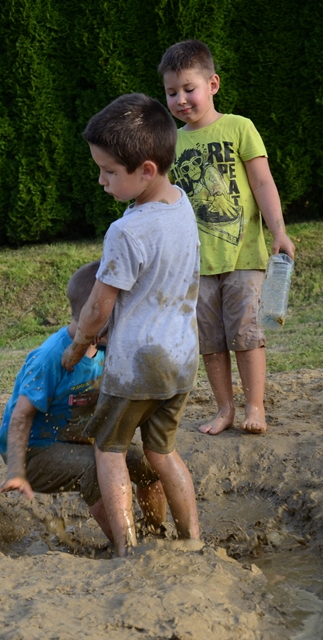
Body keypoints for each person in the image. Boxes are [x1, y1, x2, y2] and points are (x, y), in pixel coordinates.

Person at [61, 93, 201, 557]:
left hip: (137, 365)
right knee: (163, 454)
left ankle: (125, 547)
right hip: (181, 361)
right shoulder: (181, 204)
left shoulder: (126, 231)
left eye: (108, 171)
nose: (100, 181)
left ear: (145, 170)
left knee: (109, 450)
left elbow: (99, 308)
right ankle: (192, 541)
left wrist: (79, 346)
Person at [158, 39, 296, 436]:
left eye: (189, 89)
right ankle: (225, 409)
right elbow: (165, 202)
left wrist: (280, 232)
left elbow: (263, 181)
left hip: (243, 258)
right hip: (195, 265)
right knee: (210, 341)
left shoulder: (239, 127)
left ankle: (255, 407)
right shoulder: (171, 143)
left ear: (213, 84)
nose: (181, 99)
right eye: (171, 92)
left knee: (247, 333)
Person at [0, 260, 167, 545]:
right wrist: (16, 471)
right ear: (92, 313)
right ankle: (129, 549)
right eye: (116, 312)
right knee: (97, 469)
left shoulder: (109, 346)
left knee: (148, 467)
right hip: (34, 452)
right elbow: (21, 416)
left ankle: (157, 537)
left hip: (78, 439)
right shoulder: (49, 357)